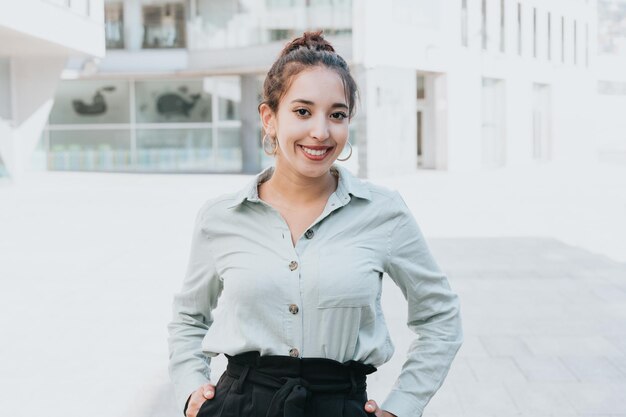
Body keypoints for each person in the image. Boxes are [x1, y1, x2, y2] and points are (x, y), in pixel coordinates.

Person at [168, 31, 462, 417]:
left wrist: (403, 405)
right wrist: (191, 391)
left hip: (339, 403)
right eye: (303, 112)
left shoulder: (384, 212)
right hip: (239, 404)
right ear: (269, 118)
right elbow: (189, 317)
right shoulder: (221, 216)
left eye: (337, 115)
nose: (321, 132)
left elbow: (440, 315)